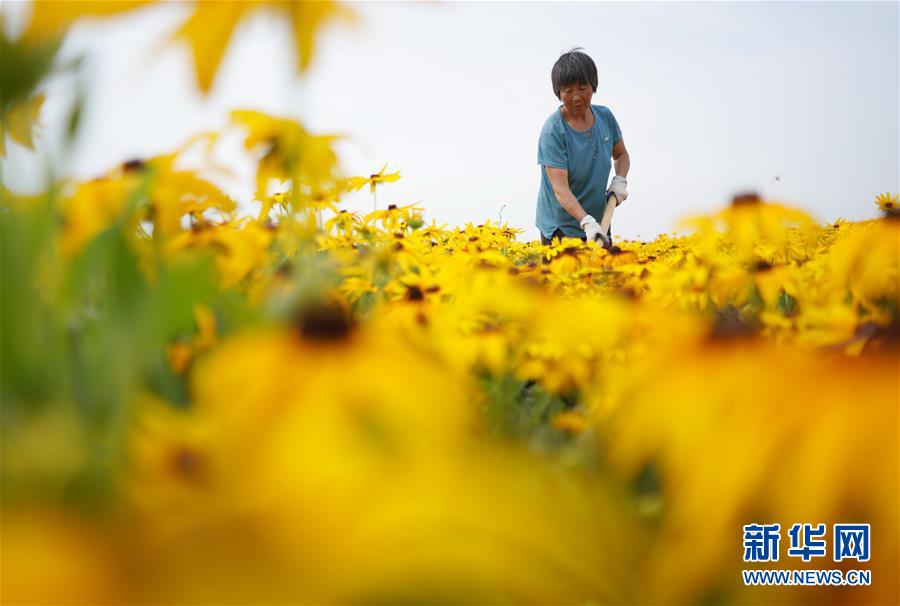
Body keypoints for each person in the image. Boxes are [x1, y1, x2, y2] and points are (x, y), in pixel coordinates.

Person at [536, 48, 630, 247]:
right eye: (567, 91)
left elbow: (621, 154)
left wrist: (619, 180)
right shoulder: (553, 131)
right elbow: (560, 189)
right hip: (561, 228)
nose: (576, 97)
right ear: (558, 92)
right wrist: (586, 222)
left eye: (582, 88)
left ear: (593, 85)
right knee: (561, 278)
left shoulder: (605, 117)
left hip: (600, 222)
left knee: (601, 277)